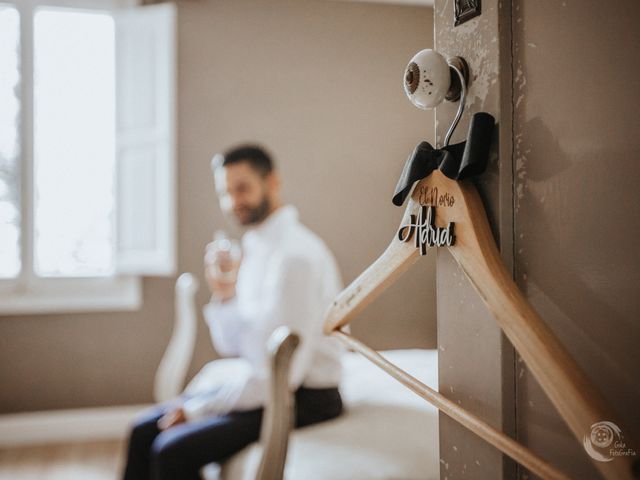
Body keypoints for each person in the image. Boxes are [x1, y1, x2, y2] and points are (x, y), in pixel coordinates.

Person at [123, 145, 345, 480]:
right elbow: (235, 347)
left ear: (272, 182)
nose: (232, 203)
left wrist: (198, 409)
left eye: (241, 189)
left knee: (171, 450)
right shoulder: (255, 248)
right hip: (265, 381)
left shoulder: (295, 259)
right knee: (141, 430)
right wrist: (224, 294)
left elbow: (285, 375)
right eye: (225, 193)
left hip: (304, 395)